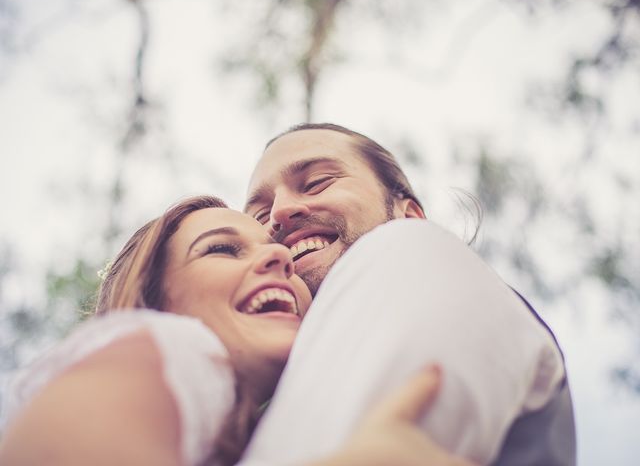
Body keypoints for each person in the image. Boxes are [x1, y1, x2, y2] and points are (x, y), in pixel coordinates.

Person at [0, 195, 474, 466]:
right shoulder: (166, 348)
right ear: (154, 301)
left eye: (274, 248)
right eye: (222, 250)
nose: (281, 256)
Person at [240, 123, 576, 465]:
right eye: (259, 217)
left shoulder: (405, 246)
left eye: (316, 183)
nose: (279, 213)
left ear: (410, 215)